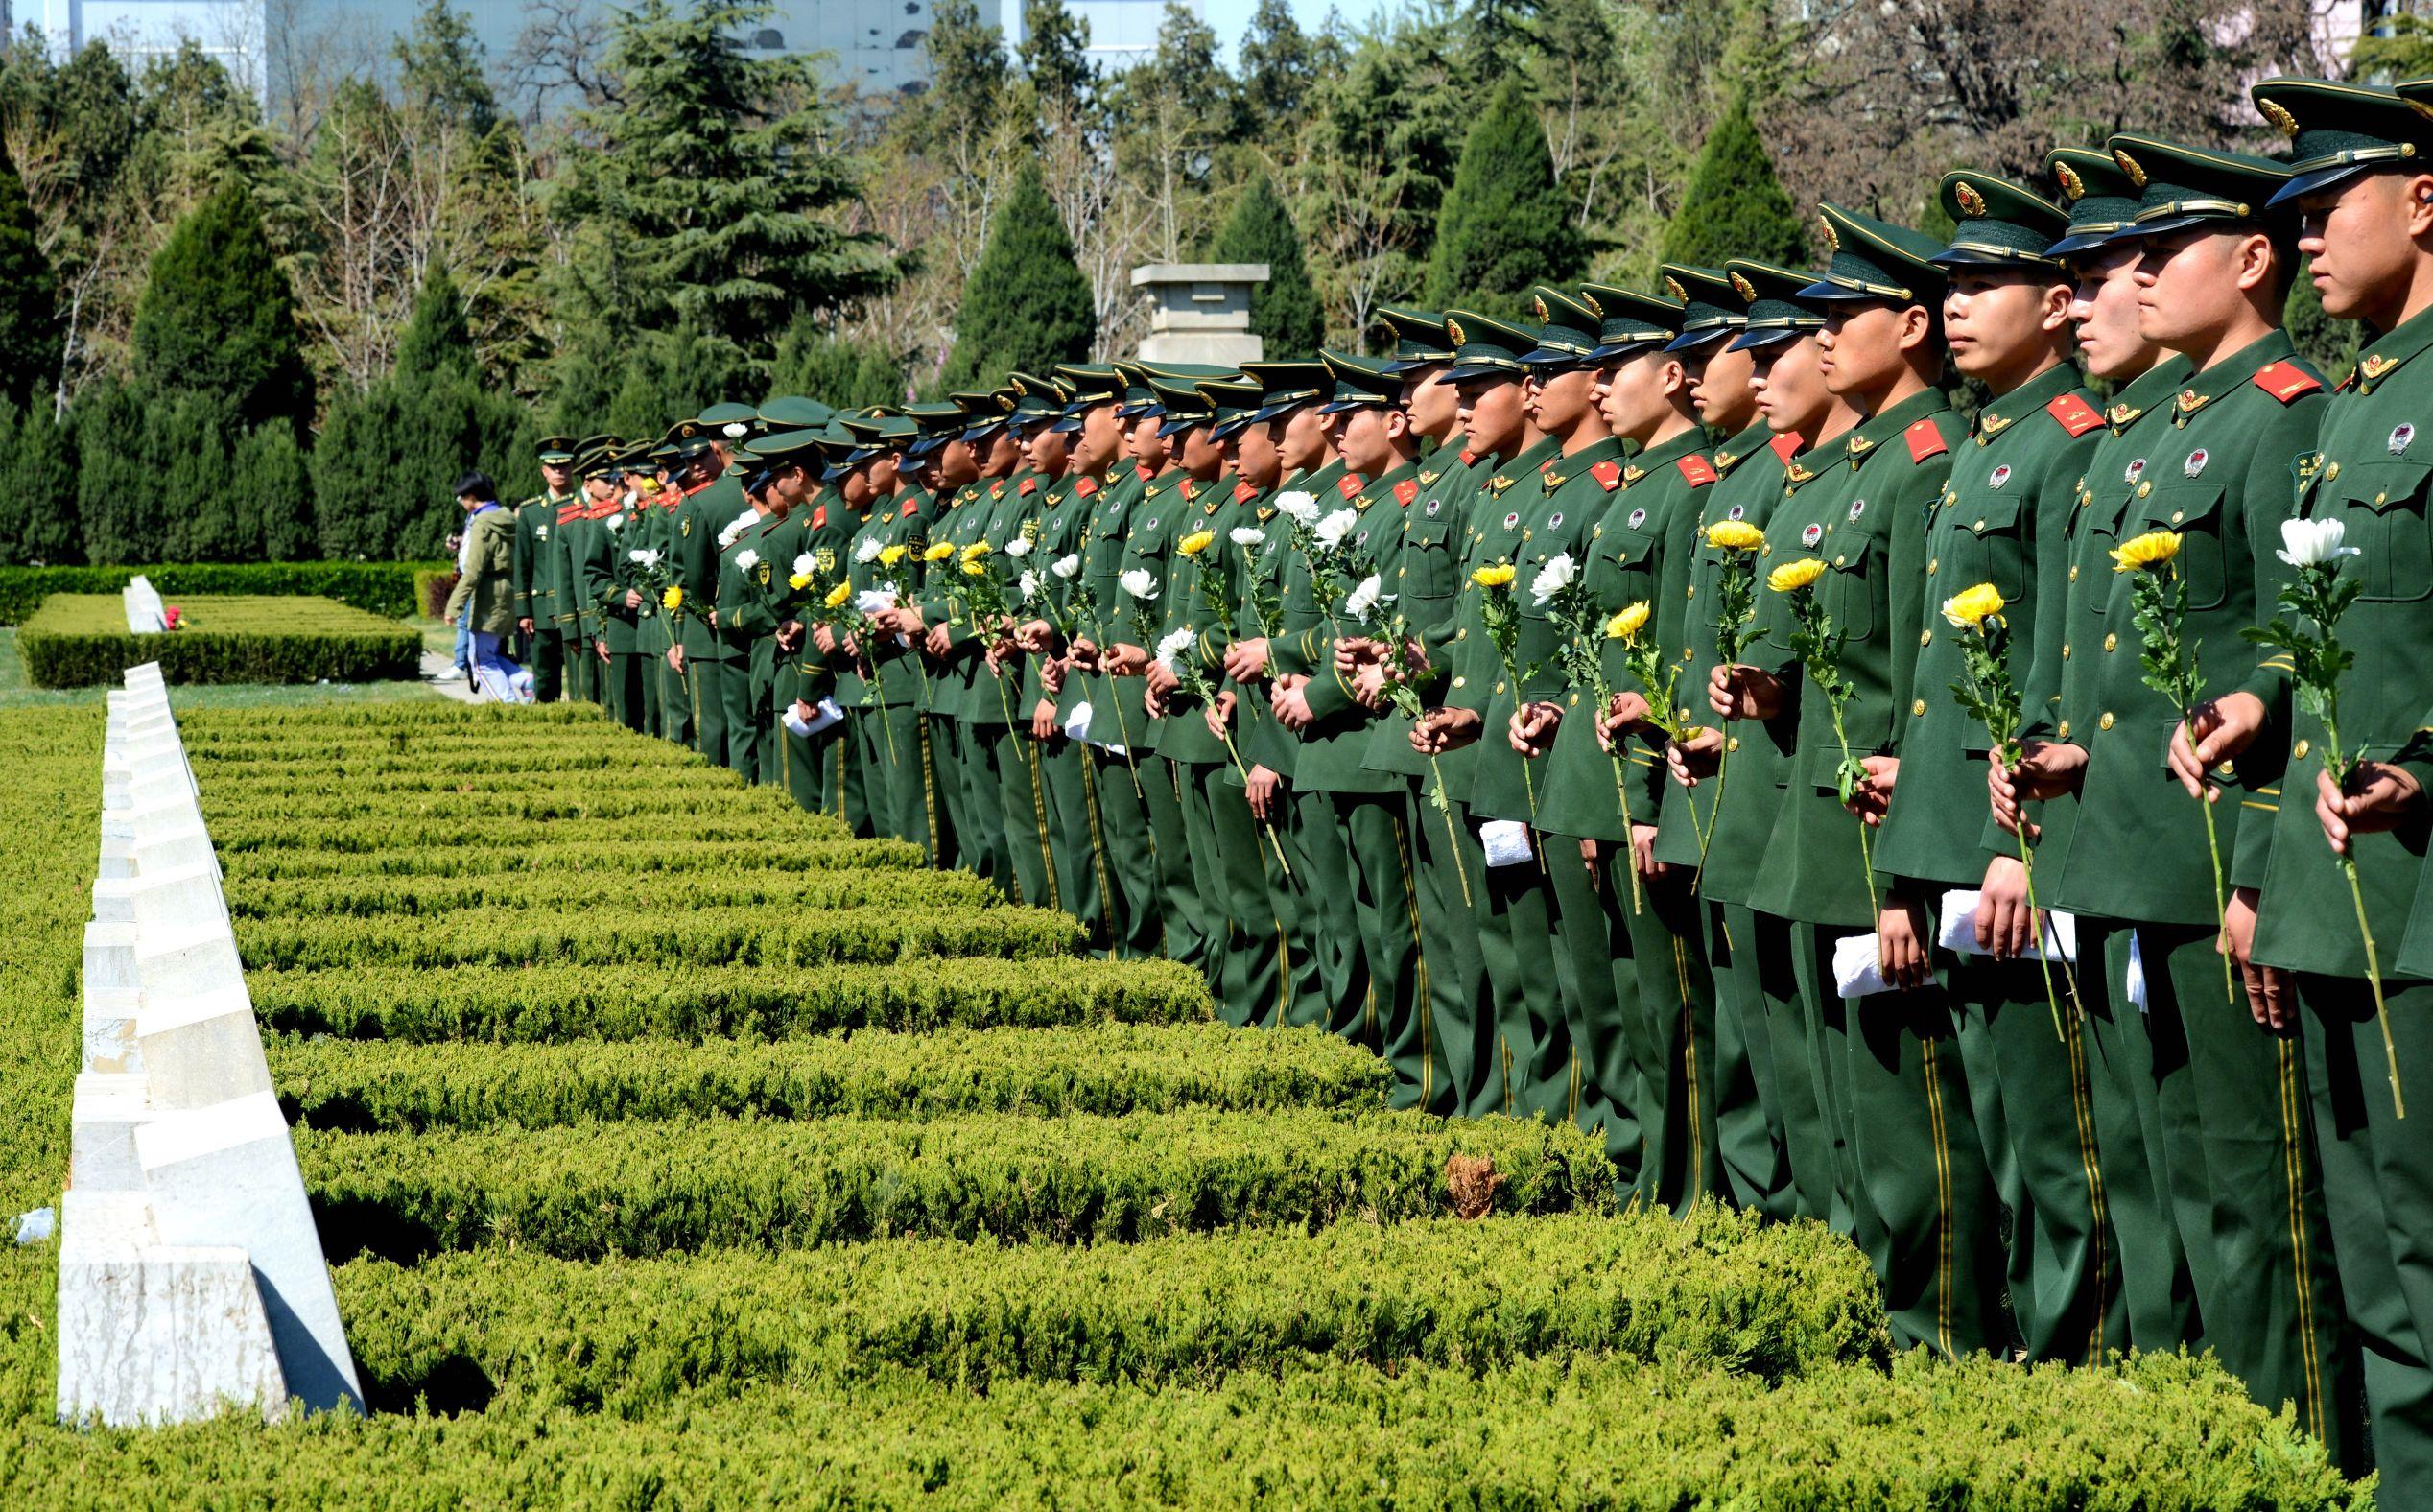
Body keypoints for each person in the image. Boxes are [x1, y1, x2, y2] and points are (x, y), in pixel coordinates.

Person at [443, 470, 531, 704]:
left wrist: (453, 607)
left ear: (471, 496)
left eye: (461, 497)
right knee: (489, 655)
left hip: (488, 595)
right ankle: (525, 680)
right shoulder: (505, 517)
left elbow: (472, 571)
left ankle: (510, 705)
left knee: (480, 664)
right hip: (507, 590)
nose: (460, 503)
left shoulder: (483, 523)